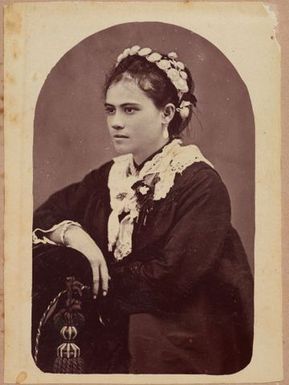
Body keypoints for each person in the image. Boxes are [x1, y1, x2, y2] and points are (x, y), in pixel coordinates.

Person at [32, 45, 254, 375]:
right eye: (110, 110)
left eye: (130, 110)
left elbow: (169, 278)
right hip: (119, 323)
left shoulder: (199, 183)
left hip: (180, 336)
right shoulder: (111, 175)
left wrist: (92, 274)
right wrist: (77, 237)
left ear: (167, 113)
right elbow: (45, 214)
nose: (116, 123)